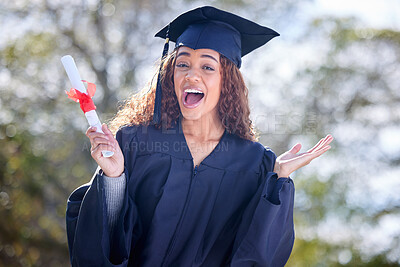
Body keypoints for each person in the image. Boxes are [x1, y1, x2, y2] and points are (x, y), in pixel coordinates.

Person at [66, 6, 333, 267]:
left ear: (226, 80)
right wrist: (114, 178)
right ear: (170, 75)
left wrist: (277, 181)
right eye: (182, 64)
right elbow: (101, 240)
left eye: (207, 67)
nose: (191, 74)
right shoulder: (135, 143)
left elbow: (259, 254)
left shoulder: (255, 164)